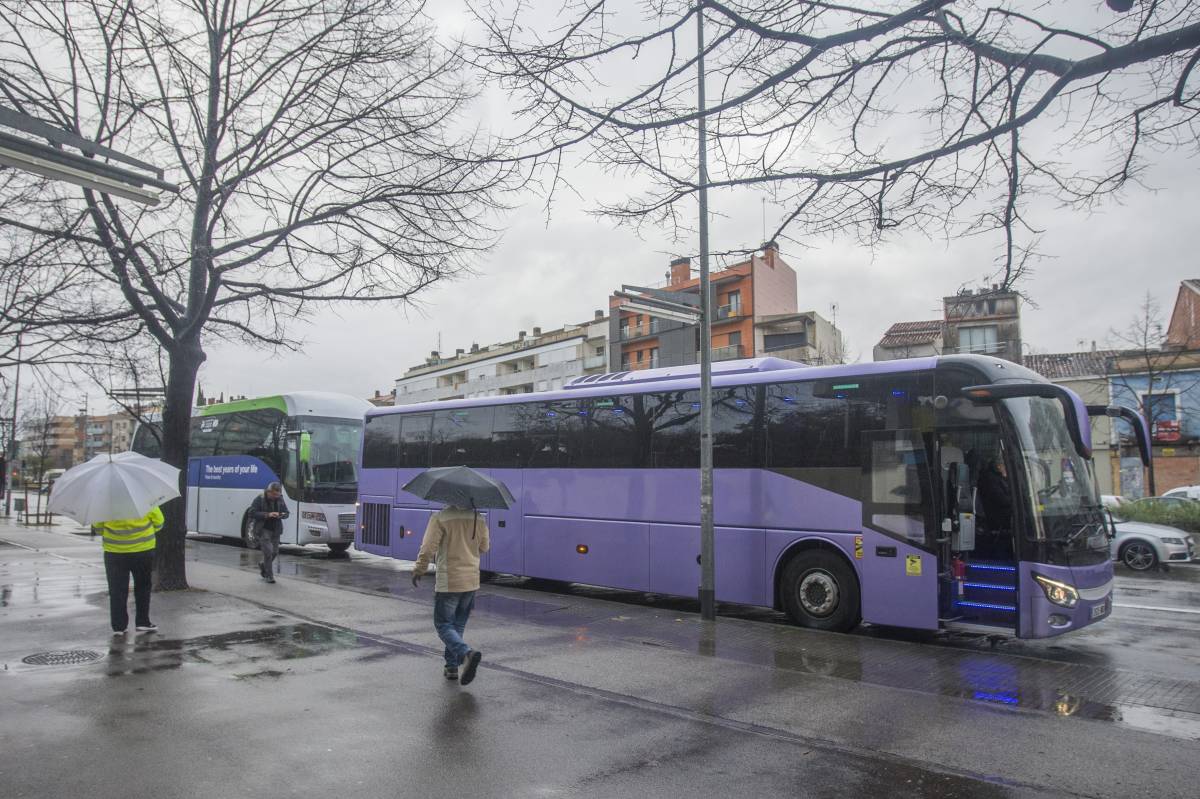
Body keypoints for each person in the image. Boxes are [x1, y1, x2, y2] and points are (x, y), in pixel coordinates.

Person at [411, 504, 490, 685]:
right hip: (471, 581)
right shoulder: (479, 518)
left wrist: (419, 569)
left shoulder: (440, 518)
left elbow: (428, 548)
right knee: (457, 625)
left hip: (450, 581)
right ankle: (452, 667)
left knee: (443, 624)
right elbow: (484, 547)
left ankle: (466, 653)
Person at [96, 505, 165, 636]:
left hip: (114, 552)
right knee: (143, 587)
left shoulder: (105, 504)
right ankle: (143, 622)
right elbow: (159, 522)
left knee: (117, 589)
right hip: (143, 551)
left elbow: (98, 528)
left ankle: (119, 626)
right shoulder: (145, 500)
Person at [249, 482, 290, 584]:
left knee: (275, 552)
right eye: (274, 495)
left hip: (276, 529)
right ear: (269, 492)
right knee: (268, 552)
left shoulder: (280, 498)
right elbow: (252, 512)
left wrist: (280, 515)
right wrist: (267, 514)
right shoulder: (260, 499)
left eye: (278, 495)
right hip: (263, 529)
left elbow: (286, 513)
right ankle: (269, 576)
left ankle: (263, 566)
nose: (276, 497)